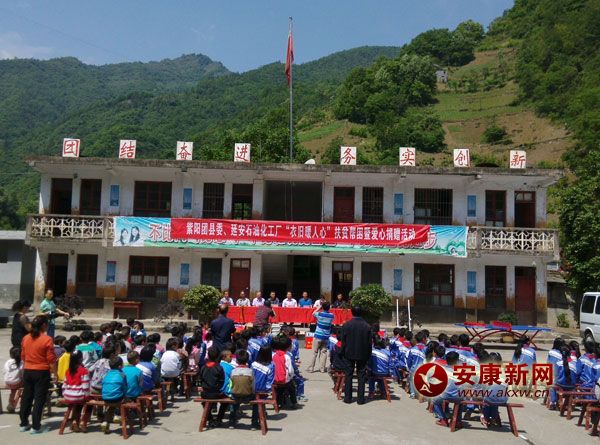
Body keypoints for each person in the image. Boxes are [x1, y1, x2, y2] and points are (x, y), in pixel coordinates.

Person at [19, 315, 56, 434]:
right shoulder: (47, 339)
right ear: (44, 325)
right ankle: (36, 426)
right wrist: (55, 374)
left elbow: (23, 356)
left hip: (28, 370)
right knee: (39, 399)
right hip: (41, 371)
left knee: (26, 397)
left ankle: (24, 423)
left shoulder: (26, 338)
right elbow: (51, 359)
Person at [340, 306, 372, 404]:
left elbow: (343, 341)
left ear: (352, 312)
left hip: (349, 353)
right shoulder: (367, 326)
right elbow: (369, 343)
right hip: (362, 354)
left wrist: (342, 352)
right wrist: (368, 355)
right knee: (361, 375)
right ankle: (360, 399)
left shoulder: (346, 325)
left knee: (348, 375)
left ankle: (348, 398)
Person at [62, 350, 90, 432]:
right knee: (90, 402)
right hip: (77, 395)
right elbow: (85, 387)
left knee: (78, 401)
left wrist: (65, 394)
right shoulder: (84, 370)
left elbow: (64, 385)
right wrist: (87, 396)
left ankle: (75, 421)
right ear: (80, 359)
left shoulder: (68, 370)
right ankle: (83, 421)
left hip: (68, 395)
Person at [199, 347, 228, 427]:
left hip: (205, 393)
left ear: (208, 356)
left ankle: (210, 419)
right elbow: (222, 381)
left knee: (204, 402)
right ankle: (219, 419)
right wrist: (217, 388)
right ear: (218, 356)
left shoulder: (203, 367)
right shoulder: (219, 367)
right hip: (216, 393)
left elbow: (201, 380)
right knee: (226, 401)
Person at [100, 356, 128, 434]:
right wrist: (125, 396)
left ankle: (105, 421)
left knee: (111, 406)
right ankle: (117, 414)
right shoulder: (122, 374)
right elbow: (125, 388)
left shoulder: (107, 374)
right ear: (120, 366)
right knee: (121, 399)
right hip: (117, 398)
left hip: (105, 397)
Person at [307, 301, 334, 373]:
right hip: (326, 337)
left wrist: (318, 308)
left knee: (314, 352)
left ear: (322, 307)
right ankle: (322, 368)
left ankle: (311, 368)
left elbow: (313, 313)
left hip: (318, 336)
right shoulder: (331, 315)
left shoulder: (319, 314)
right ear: (329, 307)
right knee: (324, 353)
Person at [251, 345, 275, 429]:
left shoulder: (253, 364)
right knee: (260, 404)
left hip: (252, 389)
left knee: (256, 404)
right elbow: (270, 380)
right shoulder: (271, 365)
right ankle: (255, 422)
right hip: (263, 390)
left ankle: (254, 422)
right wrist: (268, 390)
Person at [229, 349, 254, 427]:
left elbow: (231, 384)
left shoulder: (233, 371)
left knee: (233, 403)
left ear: (236, 360)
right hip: (248, 396)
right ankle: (254, 423)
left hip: (235, 395)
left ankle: (232, 422)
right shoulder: (250, 371)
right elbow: (253, 386)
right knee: (256, 404)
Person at [3, 346, 24, 413]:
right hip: (16, 383)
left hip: (7, 382)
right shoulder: (22, 363)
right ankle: (19, 403)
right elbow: (23, 374)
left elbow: (5, 371)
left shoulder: (8, 362)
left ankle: (11, 403)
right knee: (25, 385)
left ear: (11, 354)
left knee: (13, 390)